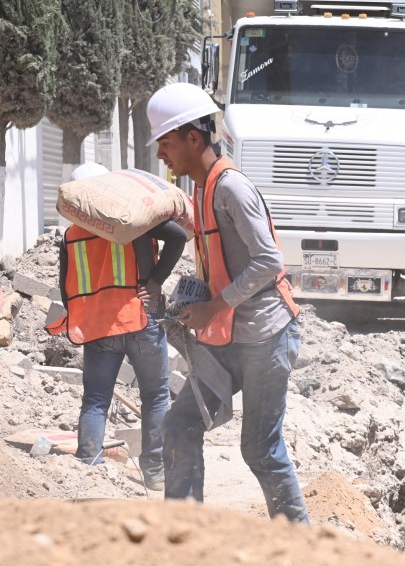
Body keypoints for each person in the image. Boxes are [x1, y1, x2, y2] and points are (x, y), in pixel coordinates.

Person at [145, 82, 308, 523]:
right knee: (180, 424)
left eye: (165, 142)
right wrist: (189, 297)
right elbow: (219, 262)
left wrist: (215, 306)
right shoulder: (201, 190)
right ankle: (184, 534)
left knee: (260, 449)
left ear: (193, 138)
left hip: (266, 338)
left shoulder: (230, 187)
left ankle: (303, 546)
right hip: (231, 339)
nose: (161, 153)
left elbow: (268, 260)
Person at [47, 162, 186, 491]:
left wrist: (86, 312)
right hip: (139, 319)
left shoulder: (71, 236)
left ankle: (89, 467)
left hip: (98, 327)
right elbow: (178, 237)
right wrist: (155, 282)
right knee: (154, 397)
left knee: (96, 399)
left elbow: (67, 289)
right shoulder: (133, 222)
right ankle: (154, 472)